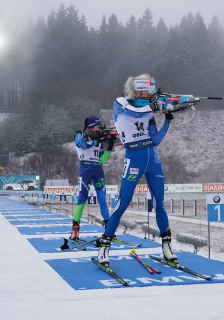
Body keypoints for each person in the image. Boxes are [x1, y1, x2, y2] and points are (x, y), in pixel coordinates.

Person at [97, 74, 177, 264]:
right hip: (134, 158)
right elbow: (134, 112)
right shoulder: (121, 102)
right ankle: (104, 247)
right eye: (148, 89)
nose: (151, 93)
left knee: (160, 204)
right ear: (137, 89)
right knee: (122, 203)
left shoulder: (149, 110)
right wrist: (155, 106)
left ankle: (167, 246)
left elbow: (155, 139)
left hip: (153, 158)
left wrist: (167, 120)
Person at [71, 116, 115, 240]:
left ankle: (108, 229)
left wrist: (109, 148)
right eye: (98, 127)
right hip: (85, 169)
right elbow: (84, 145)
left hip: (98, 170)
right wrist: (97, 140)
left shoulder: (98, 139)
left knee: (102, 200)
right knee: (82, 199)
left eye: (101, 128)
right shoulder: (79, 135)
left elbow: (100, 160)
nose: (100, 130)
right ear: (90, 127)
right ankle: (75, 229)